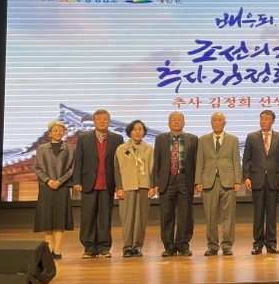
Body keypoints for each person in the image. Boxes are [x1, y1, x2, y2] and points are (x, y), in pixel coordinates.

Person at [73, 109, 123, 258]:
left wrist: (120, 185)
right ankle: (88, 247)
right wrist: (77, 181)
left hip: (108, 183)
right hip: (89, 183)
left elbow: (120, 164)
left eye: (105, 119)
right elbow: (78, 160)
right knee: (87, 217)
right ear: (94, 121)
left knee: (105, 217)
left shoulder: (117, 139)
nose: (102, 122)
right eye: (99, 119)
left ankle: (104, 247)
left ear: (109, 121)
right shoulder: (84, 138)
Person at [195, 112, 242, 256]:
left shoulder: (233, 139)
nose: (217, 122)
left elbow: (236, 160)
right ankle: (212, 245)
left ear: (224, 123)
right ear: (211, 123)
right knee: (210, 216)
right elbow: (200, 161)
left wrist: (237, 180)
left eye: (219, 120)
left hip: (228, 181)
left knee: (229, 216)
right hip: (209, 182)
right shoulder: (203, 140)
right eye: (214, 120)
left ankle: (227, 245)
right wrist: (198, 181)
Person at [243, 110, 279, 255]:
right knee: (258, 213)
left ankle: (271, 243)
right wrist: (246, 177)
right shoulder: (252, 137)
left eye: (267, 119)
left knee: (271, 213)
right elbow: (246, 159)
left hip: (274, 180)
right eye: (261, 118)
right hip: (257, 179)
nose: (263, 121)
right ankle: (257, 243)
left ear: (273, 121)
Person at [153, 111, 198, 257]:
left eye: (179, 119)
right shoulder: (160, 139)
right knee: (166, 215)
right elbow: (157, 161)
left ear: (184, 123)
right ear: (168, 123)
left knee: (186, 215)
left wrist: (197, 182)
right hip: (167, 181)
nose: (176, 122)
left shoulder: (193, 139)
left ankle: (183, 245)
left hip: (185, 180)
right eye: (173, 119)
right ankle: (169, 246)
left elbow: (196, 163)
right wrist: (156, 183)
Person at [33, 120, 75, 259]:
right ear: (50, 133)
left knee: (59, 218)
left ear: (64, 132)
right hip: (46, 187)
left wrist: (60, 181)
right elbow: (37, 167)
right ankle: (49, 247)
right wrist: (48, 180)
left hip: (62, 187)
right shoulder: (42, 148)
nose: (58, 132)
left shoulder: (69, 148)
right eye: (55, 130)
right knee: (46, 218)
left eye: (60, 130)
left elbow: (72, 168)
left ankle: (57, 249)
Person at [114, 120, 156, 258]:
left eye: (140, 129)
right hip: (127, 186)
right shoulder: (121, 149)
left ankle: (137, 247)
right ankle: (127, 247)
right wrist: (119, 188)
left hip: (144, 186)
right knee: (127, 219)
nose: (138, 132)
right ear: (130, 132)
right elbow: (116, 170)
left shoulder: (149, 149)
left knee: (140, 219)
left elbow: (153, 169)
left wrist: (152, 186)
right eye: (135, 129)